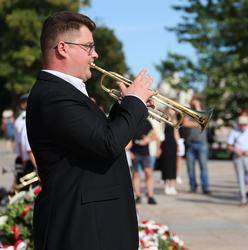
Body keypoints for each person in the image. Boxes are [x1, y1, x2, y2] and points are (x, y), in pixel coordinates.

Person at [26, 11, 155, 250]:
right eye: (88, 47)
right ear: (63, 48)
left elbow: (95, 138)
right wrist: (134, 102)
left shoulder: (64, 92)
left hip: (93, 225)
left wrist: (127, 107)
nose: (95, 54)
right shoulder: (54, 95)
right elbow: (107, 143)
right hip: (82, 229)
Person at [227, 116, 248, 206]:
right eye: (241, 125)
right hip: (238, 156)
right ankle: (243, 198)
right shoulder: (234, 131)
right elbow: (229, 146)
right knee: (240, 178)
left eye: (244, 125)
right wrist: (235, 150)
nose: (242, 126)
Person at [183, 97, 211, 194]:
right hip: (191, 143)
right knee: (190, 168)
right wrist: (199, 123)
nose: (194, 103)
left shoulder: (205, 112)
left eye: (196, 102)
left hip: (202, 143)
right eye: (193, 102)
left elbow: (205, 123)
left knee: (203, 167)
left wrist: (198, 109)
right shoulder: (189, 113)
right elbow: (185, 123)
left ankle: (205, 187)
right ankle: (193, 186)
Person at [131, 119, 157, 204]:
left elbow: (154, 135)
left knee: (148, 173)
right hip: (134, 152)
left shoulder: (147, 122)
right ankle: (138, 195)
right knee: (136, 174)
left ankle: (150, 196)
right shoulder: (132, 122)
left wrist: (148, 140)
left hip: (145, 153)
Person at [14, 93, 37, 183]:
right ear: (22, 104)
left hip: (25, 161)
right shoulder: (28, 119)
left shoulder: (18, 121)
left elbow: (19, 145)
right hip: (32, 161)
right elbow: (28, 148)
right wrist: (37, 167)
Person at [156, 108, 180, 195]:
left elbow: (176, 134)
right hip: (165, 144)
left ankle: (172, 186)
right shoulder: (163, 120)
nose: (173, 111)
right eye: (172, 109)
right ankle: (166, 185)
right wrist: (158, 147)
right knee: (166, 165)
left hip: (173, 144)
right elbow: (159, 132)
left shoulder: (175, 120)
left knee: (173, 165)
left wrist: (179, 144)